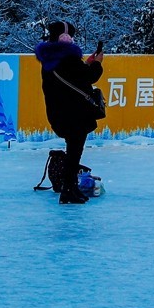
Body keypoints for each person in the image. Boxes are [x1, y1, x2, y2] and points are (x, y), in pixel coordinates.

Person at [35, 20, 105, 205]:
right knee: (74, 152)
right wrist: (97, 64)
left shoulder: (49, 59)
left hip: (58, 113)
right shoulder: (69, 58)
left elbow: (75, 75)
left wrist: (87, 63)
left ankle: (70, 188)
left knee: (73, 151)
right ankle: (68, 190)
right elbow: (89, 77)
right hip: (75, 114)